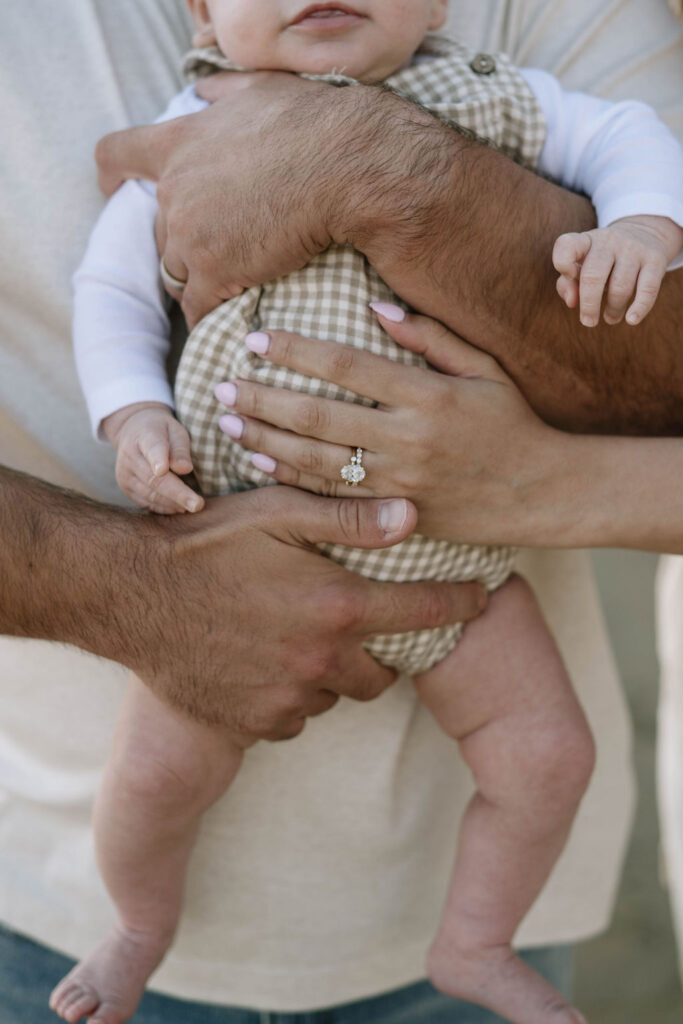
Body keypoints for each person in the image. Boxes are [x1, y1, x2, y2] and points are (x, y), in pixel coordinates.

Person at [0, 3, 681, 1024]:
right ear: (203, 11)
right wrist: (133, 411)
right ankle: (137, 923)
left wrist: (636, 222)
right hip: (230, 538)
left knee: (547, 756)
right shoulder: (191, 125)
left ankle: (473, 940)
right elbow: (114, 289)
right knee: (151, 777)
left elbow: (624, 135)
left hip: (456, 566)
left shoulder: (488, 96)